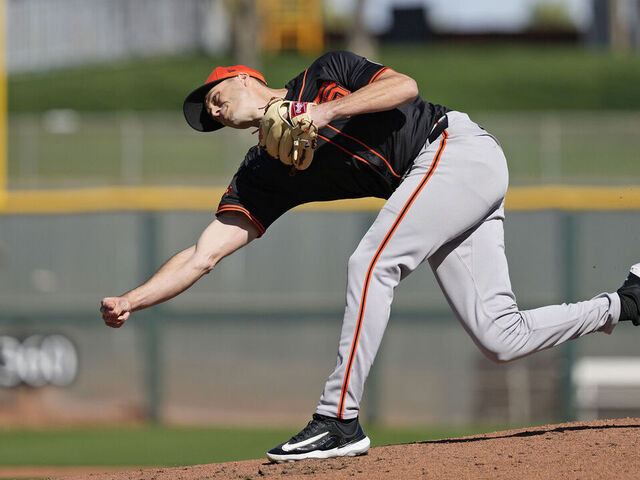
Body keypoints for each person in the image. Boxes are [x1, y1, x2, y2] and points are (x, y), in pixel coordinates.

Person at [100, 51, 640, 463]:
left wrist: (326, 110)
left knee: (370, 261)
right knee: (501, 337)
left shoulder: (324, 73)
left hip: (454, 150)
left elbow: (404, 86)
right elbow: (202, 253)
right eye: (210, 117)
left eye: (215, 97)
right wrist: (133, 298)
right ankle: (626, 302)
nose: (214, 112)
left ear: (243, 77)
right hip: (436, 189)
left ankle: (339, 419)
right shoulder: (264, 173)